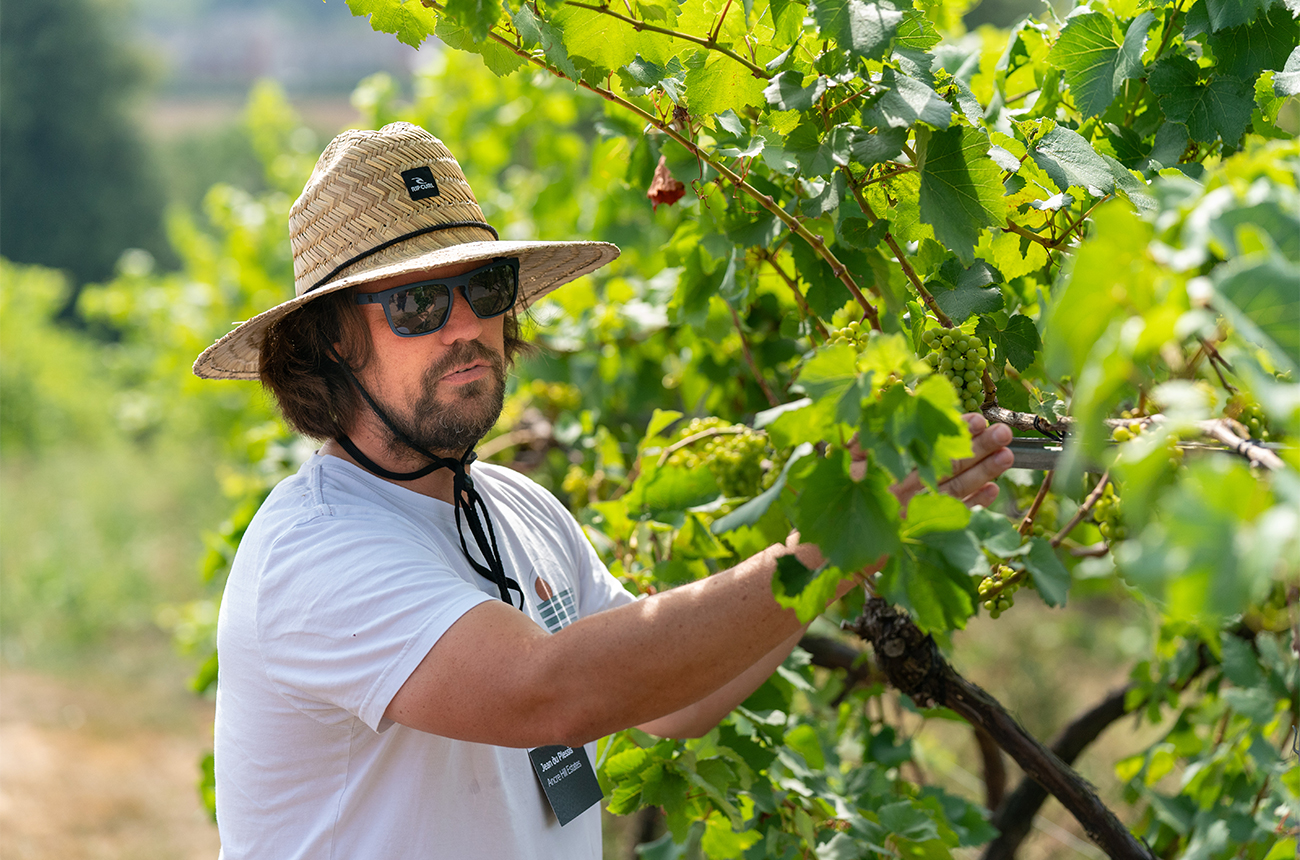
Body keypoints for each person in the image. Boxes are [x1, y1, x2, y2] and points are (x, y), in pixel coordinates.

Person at [193, 122, 1015, 859]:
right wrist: (823, 547)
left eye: (485, 289)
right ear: (331, 344)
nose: (466, 326)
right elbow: (545, 693)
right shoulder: (315, 551)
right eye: (416, 303)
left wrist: (853, 551)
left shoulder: (516, 509)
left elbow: (672, 706)